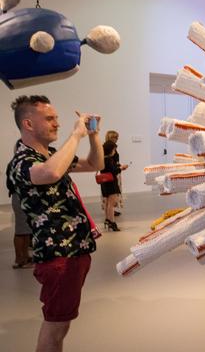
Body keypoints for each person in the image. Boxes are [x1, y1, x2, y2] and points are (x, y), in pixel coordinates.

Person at [6, 95, 104, 352]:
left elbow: (96, 164)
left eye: (57, 119)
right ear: (28, 124)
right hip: (59, 256)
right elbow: (51, 173)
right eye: (49, 119)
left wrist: (93, 135)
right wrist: (76, 135)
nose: (56, 124)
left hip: (73, 251)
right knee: (56, 326)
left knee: (61, 324)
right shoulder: (22, 162)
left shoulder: (50, 155)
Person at [9, 139, 33, 268]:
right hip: (20, 198)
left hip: (23, 198)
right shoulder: (17, 163)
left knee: (26, 230)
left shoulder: (21, 161)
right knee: (20, 230)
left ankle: (25, 256)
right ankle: (19, 259)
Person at [103, 130, 128, 216]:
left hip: (113, 171)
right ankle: (110, 213)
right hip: (111, 173)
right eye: (115, 137)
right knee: (111, 195)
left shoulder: (112, 147)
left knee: (112, 195)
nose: (117, 139)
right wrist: (119, 167)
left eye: (117, 137)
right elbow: (110, 164)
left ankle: (111, 211)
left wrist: (119, 166)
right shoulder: (108, 148)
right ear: (110, 137)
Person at [99, 140, 121, 231]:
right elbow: (113, 172)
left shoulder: (102, 159)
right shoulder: (108, 160)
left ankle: (108, 220)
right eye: (114, 150)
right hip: (111, 183)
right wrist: (120, 168)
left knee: (108, 202)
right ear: (110, 150)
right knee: (111, 204)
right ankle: (112, 222)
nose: (115, 152)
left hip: (105, 183)